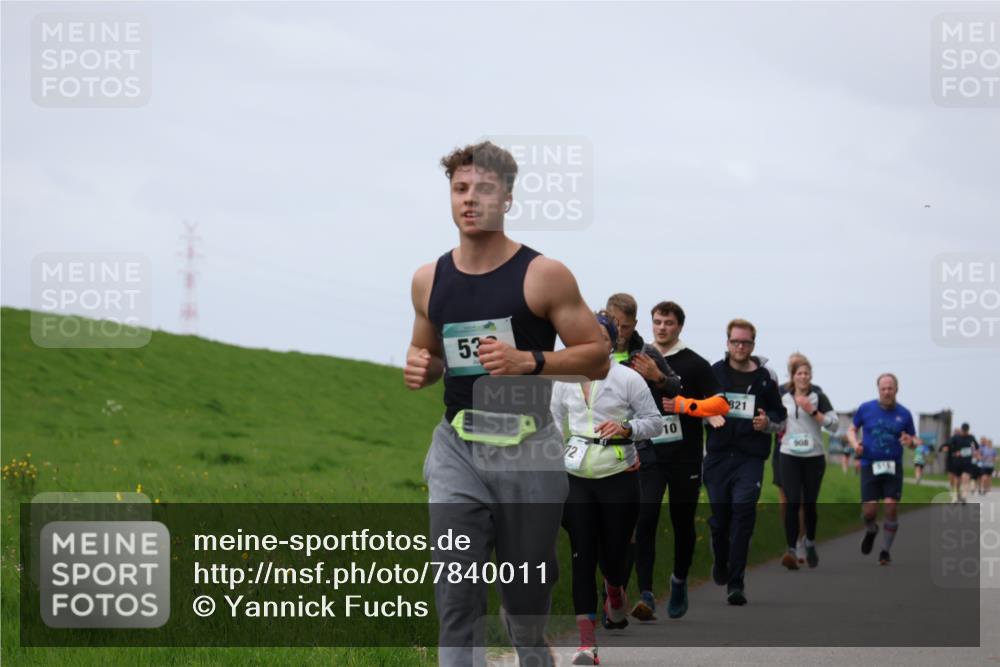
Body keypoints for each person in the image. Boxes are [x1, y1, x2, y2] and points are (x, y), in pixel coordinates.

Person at [405, 140, 609, 667]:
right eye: (460, 189)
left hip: (527, 449)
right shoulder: (428, 279)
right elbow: (429, 354)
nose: (470, 200)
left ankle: (534, 654)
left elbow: (598, 357)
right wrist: (423, 369)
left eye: (484, 190)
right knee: (456, 592)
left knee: (523, 603)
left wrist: (530, 362)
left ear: (508, 199)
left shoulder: (543, 275)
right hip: (458, 447)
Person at [550, 313, 663, 666]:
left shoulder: (627, 378)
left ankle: (615, 588)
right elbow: (553, 424)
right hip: (575, 477)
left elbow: (655, 423)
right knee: (582, 555)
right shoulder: (564, 379)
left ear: (611, 342)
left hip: (618, 475)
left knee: (613, 556)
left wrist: (627, 428)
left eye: (598, 335)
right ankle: (587, 645)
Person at [630, 301, 729, 621]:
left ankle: (679, 580)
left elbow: (721, 404)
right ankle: (645, 593)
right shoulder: (637, 359)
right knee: (643, 520)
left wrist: (687, 405)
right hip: (650, 454)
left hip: (685, 456)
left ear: (679, 327)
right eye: (657, 321)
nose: (662, 327)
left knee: (683, 523)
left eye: (669, 323)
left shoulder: (695, 363)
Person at [703, 318, 787, 605]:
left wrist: (767, 424)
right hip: (717, 457)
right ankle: (721, 561)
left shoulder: (765, 378)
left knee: (743, 513)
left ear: (753, 344)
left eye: (746, 342)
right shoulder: (713, 373)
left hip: (750, 458)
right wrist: (707, 414)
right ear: (727, 343)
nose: (740, 346)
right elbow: (693, 405)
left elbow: (780, 416)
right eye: (736, 341)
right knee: (719, 521)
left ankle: (736, 583)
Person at [846, 373, 921, 566]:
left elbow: (915, 440)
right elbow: (851, 429)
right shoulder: (866, 408)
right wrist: (855, 444)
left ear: (897, 389)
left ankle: (885, 551)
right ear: (878, 390)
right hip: (869, 464)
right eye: (883, 388)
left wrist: (910, 442)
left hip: (892, 465)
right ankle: (871, 530)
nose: (887, 392)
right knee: (869, 511)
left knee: (891, 506)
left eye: (890, 388)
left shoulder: (904, 413)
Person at [778, 357, 838, 570]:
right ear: (792, 376)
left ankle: (810, 542)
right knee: (792, 501)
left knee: (809, 504)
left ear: (810, 376)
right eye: (799, 373)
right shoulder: (783, 396)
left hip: (813, 456)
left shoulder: (819, 397)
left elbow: (834, 425)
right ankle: (791, 549)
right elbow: (777, 420)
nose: (803, 377)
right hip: (789, 454)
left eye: (806, 373)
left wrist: (813, 412)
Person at [942, 424, 979, 504]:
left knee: (965, 478)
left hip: (967, 461)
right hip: (957, 462)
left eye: (966, 431)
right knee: (957, 480)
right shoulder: (956, 437)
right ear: (961, 430)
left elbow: (975, 447)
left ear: (968, 430)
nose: (965, 432)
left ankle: (964, 496)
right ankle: (957, 495)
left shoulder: (971, 437)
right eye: (963, 431)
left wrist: (974, 452)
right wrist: (946, 448)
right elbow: (948, 444)